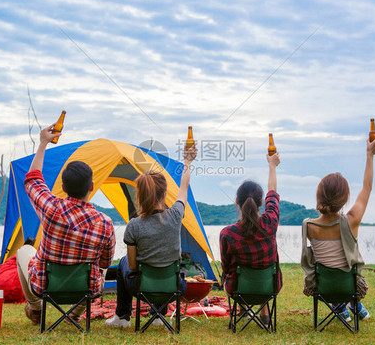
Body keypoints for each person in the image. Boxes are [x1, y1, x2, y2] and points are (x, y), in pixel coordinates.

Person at [16, 124, 116, 325]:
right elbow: (105, 263)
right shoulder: (105, 223)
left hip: (45, 285)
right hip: (86, 288)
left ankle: (36, 308)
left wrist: (43, 142)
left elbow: (32, 179)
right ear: (92, 187)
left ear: (62, 187)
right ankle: (75, 313)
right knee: (101, 267)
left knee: (23, 251)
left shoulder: (51, 209)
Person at [105, 145, 197, 328]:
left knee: (124, 261)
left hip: (141, 287)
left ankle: (122, 317)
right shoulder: (176, 215)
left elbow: (132, 266)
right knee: (162, 267)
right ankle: (158, 314)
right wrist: (187, 161)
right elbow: (184, 187)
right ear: (164, 194)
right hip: (175, 286)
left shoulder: (134, 226)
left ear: (139, 196)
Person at [301, 135, 375, 321]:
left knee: (331, 272)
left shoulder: (309, 225)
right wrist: (370, 155)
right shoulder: (351, 220)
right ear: (345, 199)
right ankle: (351, 303)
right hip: (350, 286)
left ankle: (340, 305)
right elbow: (367, 188)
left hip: (322, 287)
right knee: (348, 273)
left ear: (318, 196)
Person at [219, 152, 282, 326]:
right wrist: (272, 166)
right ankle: (264, 313)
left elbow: (226, 267)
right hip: (270, 287)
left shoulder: (227, 233)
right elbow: (273, 194)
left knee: (233, 271)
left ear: (237, 202)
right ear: (261, 203)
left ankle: (242, 310)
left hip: (238, 289)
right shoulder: (270, 223)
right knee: (261, 266)